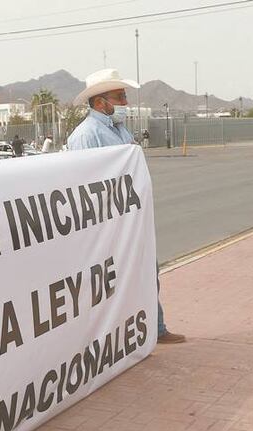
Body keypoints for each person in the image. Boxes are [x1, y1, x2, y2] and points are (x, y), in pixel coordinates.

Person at [68, 68, 185, 344]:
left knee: (146, 272)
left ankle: (155, 328)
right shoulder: (86, 136)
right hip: (107, 225)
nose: (125, 103)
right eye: (120, 97)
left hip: (132, 219)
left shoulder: (120, 130)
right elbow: (83, 184)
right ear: (100, 102)